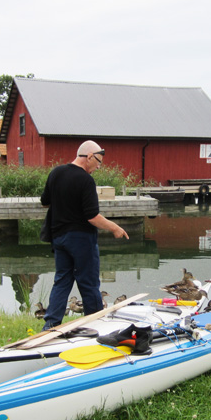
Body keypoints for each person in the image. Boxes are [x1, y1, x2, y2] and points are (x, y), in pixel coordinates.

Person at [40, 140, 128, 330]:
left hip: (59, 237)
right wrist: (115, 228)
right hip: (80, 239)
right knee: (88, 282)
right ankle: (96, 325)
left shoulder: (56, 173)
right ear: (89, 156)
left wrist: (64, 203)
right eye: (98, 161)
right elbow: (92, 217)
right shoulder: (85, 180)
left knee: (62, 280)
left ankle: (51, 325)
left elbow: (45, 202)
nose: (99, 166)